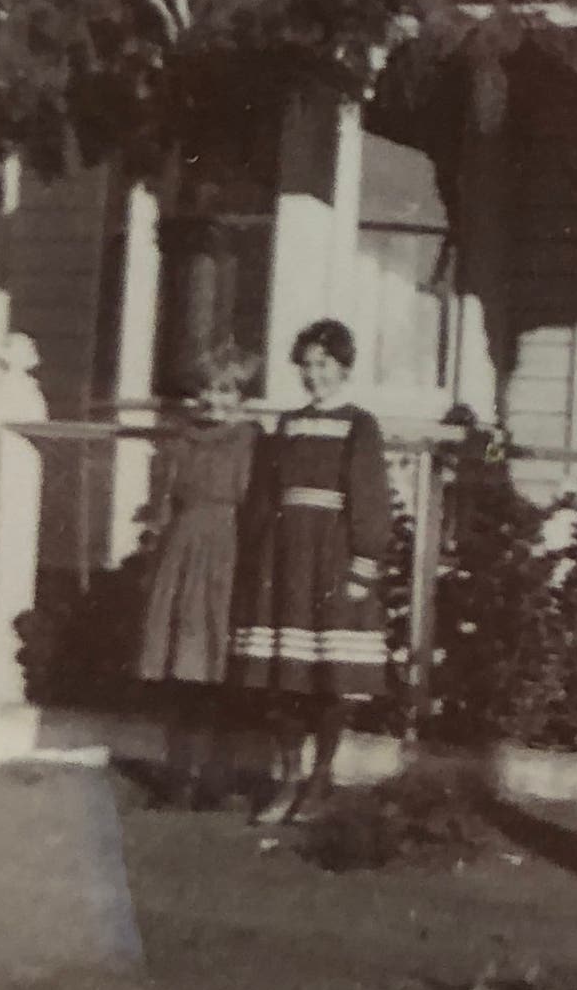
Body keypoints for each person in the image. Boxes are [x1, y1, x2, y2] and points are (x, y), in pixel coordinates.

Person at [230, 317, 396, 827]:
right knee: (284, 678)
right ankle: (287, 778)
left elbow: (369, 500)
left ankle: (321, 780)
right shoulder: (287, 424)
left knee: (329, 677)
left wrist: (362, 567)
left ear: (343, 367)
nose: (313, 374)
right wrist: (255, 556)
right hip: (284, 562)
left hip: (332, 557)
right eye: (306, 365)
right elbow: (262, 498)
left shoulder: (358, 424)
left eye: (323, 364)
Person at [134, 340, 258, 806]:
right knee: (177, 664)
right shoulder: (181, 439)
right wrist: (155, 540)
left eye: (227, 391)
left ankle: (216, 775)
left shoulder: (249, 440)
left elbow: (256, 505)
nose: (216, 400)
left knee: (218, 664)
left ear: (241, 397)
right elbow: (164, 499)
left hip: (228, 550)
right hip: (182, 550)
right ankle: (177, 773)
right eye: (209, 390)